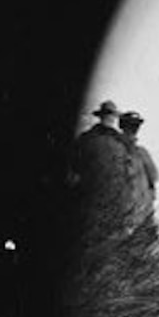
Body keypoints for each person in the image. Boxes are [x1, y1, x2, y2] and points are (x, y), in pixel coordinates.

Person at [68, 99, 132, 241]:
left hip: (89, 200)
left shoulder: (86, 138)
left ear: (100, 116)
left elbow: (74, 168)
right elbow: (129, 175)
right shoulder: (122, 143)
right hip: (115, 204)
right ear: (113, 118)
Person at [119, 110, 159, 236]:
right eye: (131, 126)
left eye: (135, 126)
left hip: (140, 212)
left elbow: (154, 177)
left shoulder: (141, 153)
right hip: (128, 214)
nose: (133, 130)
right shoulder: (120, 151)